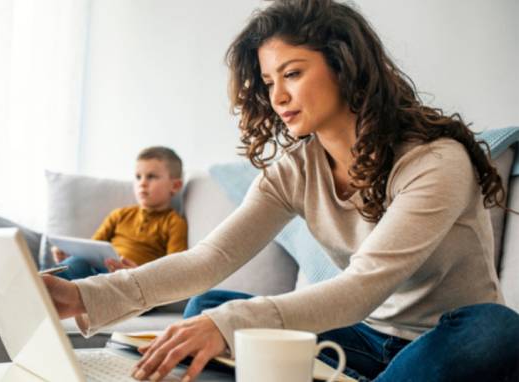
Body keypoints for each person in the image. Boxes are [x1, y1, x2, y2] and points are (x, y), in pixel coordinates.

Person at [41, 1, 519, 381]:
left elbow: (362, 286)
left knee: (497, 331)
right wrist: (84, 295)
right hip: (366, 338)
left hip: (448, 338)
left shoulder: (435, 162)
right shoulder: (295, 170)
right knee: (208, 309)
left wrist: (231, 326)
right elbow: (210, 259)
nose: (278, 97)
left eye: (292, 73)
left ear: (344, 66)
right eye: (269, 81)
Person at [53, 146, 188, 280]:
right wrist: (67, 255)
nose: (142, 183)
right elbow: (91, 249)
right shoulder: (120, 215)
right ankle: (44, 286)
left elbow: (174, 271)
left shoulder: (175, 223)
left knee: (76, 268)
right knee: (75, 263)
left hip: (133, 281)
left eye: (151, 176)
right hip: (97, 271)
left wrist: (138, 274)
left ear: (175, 186)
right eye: (138, 177)